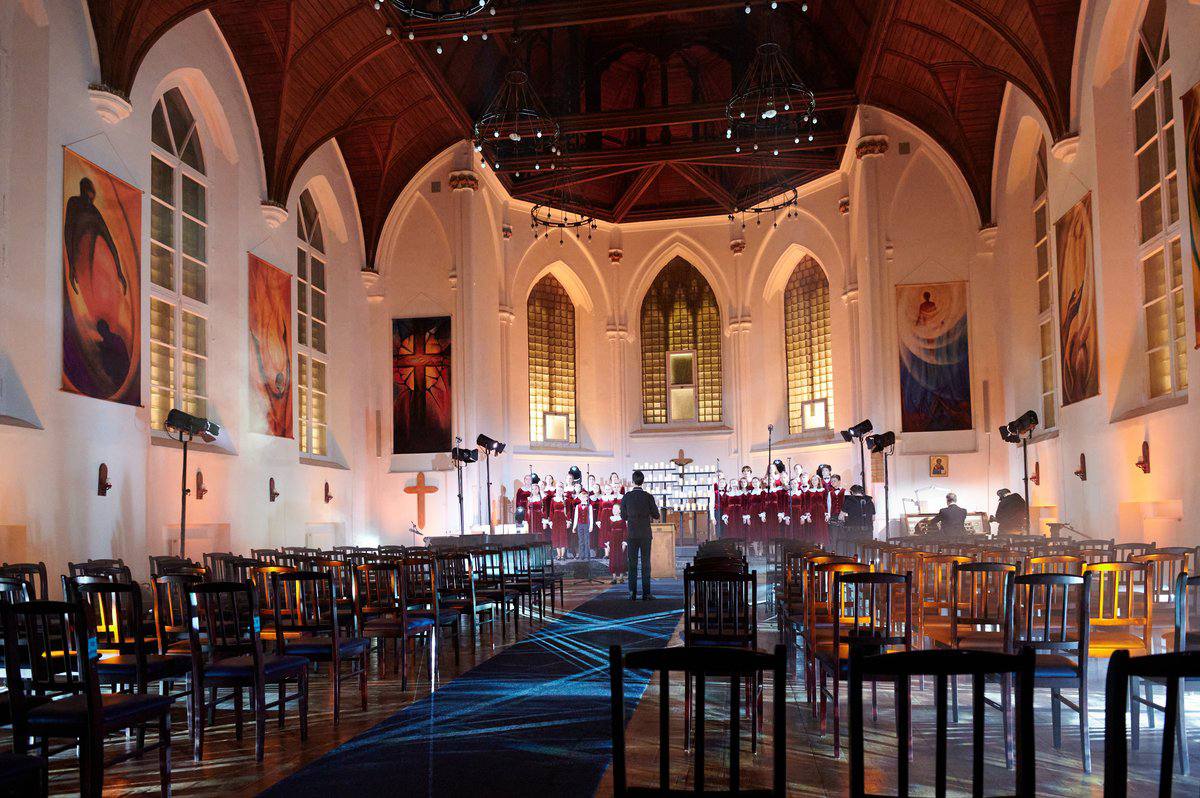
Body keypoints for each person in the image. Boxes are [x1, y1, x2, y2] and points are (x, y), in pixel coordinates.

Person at [620, 470, 660, 600]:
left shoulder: (627, 497)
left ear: (633, 481)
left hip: (632, 533)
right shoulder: (648, 496)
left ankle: (632, 592)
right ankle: (646, 593)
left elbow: (623, 516)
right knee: (645, 563)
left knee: (632, 563)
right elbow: (656, 515)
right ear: (643, 481)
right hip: (645, 533)